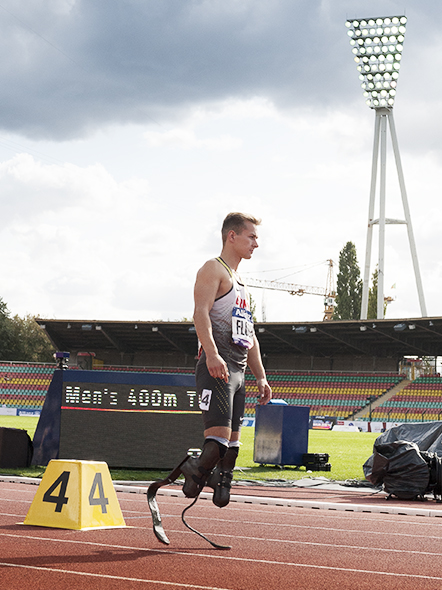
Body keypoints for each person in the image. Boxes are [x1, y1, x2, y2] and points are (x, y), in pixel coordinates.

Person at [181, 212, 272, 507]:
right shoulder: (213, 269)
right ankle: (193, 471)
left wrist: (260, 376)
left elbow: (250, 335)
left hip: (239, 372)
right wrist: (212, 353)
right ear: (232, 236)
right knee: (217, 442)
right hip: (217, 368)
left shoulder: (242, 283)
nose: (256, 244)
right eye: (252, 236)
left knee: (231, 447)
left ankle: (219, 482)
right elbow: (200, 314)